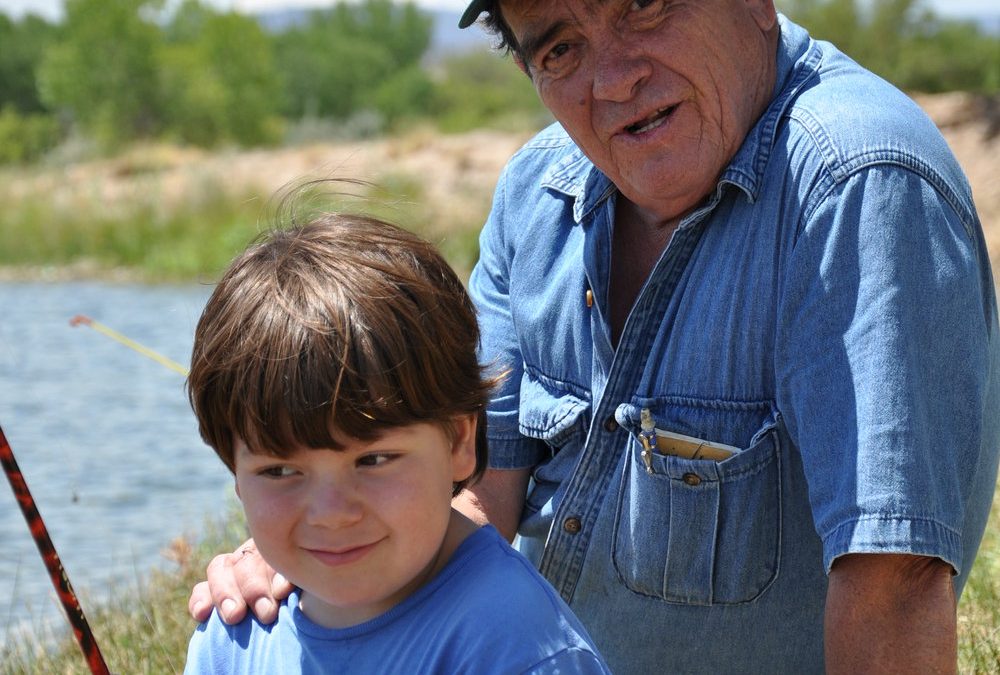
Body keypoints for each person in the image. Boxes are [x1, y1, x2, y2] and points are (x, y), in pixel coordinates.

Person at [190, 2, 1000, 672]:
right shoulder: (533, 193)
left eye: (644, 8)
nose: (613, 80)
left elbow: (891, 582)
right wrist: (309, 559)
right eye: (563, 47)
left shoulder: (858, 185)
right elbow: (473, 490)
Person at [182, 211, 611, 674]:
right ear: (236, 474)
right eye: (280, 470)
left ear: (458, 443)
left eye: (373, 459)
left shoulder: (516, 649)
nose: (331, 513)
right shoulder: (230, 638)